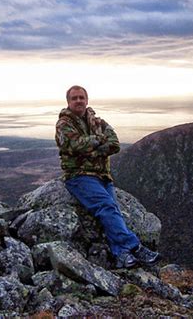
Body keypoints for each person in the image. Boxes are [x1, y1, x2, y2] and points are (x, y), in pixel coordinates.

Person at [55, 85, 161, 268]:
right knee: (106, 206)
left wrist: (91, 148)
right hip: (79, 176)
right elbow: (73, 145)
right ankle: (134, 247)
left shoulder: (98, 122)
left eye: (82, 97)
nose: (79, 100)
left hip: (103, 176)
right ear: (68, 102)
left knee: (112, 211)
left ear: (87, 100)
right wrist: (98, 140)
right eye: (75, 98)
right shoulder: (64, 124)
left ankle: (121, 255)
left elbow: (114, 144)